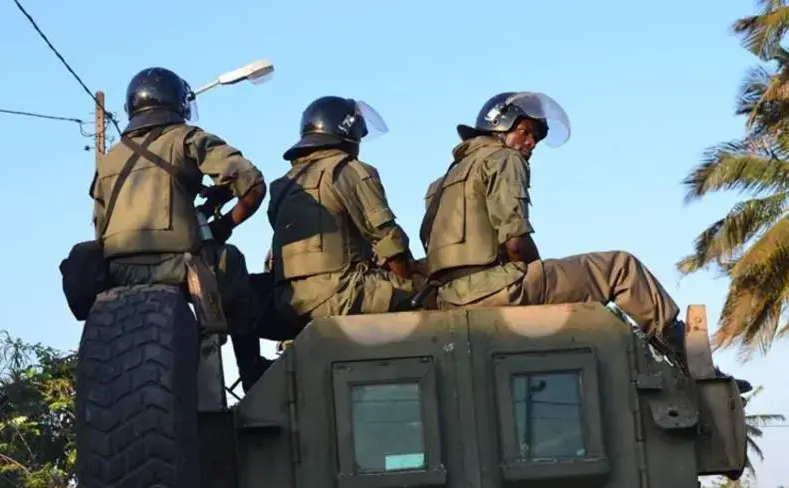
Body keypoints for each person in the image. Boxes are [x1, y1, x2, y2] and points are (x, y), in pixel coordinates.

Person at [419, 91, 688, 362]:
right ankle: (688, 353)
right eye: (525, 132)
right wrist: (538, 273)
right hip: (495, 290)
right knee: (620, 268)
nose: (531, 143)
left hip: (448, 297)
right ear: (500, 126)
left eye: (535, 137)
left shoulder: (442, 182)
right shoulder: (504, 158)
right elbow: (515, 242)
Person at [90, 66, 270, 391]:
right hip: (177, 269)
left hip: (117, 274)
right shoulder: (187, 138)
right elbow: (253, 182)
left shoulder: (109, 159)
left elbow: (99, 226)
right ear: (178, 103)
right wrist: (223, 226)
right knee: (234, 264)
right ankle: (252, 373)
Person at [266, 96, 419, 326]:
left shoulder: (283, 185)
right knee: (431, 288)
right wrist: (409, 286)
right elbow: (388, 239)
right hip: (341, 294)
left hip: (289, 302)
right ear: (347, 134)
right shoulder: (348, 170)